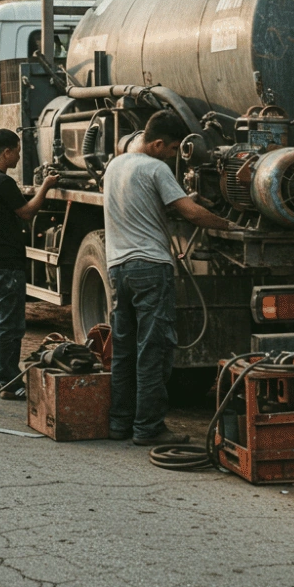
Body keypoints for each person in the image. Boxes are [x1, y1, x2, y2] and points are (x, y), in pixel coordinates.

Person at [103, 110, 234, 445]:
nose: (174, 156)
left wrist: (180, 199)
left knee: (124, 349)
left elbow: (144, 204)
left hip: (118, 268)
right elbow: (191, 214)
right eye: (173, 149)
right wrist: (227, 224)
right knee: (154, 350)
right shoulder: (156, 168)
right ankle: (148, 428)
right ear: (159, 143)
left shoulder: (116, 165)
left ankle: (119, 423)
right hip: (150, 267)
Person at [0, 129, 59, 397]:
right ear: (6, 152)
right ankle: (10, 382)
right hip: (6, 265)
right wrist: (45, 186)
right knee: (10, 326)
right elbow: (27, 213)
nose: (19, 156)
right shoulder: (2, 182)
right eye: (17, 151)